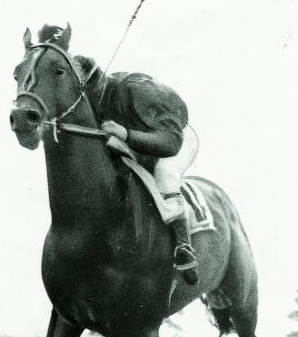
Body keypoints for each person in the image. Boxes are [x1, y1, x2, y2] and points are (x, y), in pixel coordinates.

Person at [36, 25, 200, 285]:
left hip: (175, 137)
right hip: (137, 142)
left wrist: (125, 133)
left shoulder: (136, 90)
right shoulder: (89, 102)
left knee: (165, 174)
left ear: (94, 81)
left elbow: (170, 143)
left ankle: (183, 245)